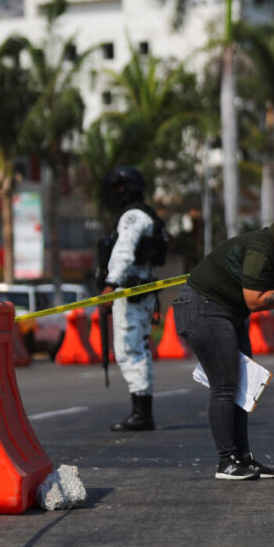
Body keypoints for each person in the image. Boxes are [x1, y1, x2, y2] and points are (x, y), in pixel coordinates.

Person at [174, 184, 274, 481]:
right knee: (225, 384)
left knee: (243, 386)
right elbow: (254, 301)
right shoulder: (262, 246)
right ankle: (226, 461)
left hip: (229, 313)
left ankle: (243, 458)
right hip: (202, 306)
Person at [103, 165, 167, 432]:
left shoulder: (132, 217)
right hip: (143, 290)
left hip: (130, 290)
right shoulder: (148, 215)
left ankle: (141, 413)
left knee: (130, 349)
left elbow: (124, 251)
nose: (116, 193)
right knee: (140, 348)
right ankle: (143, 410)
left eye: (119, 188)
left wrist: (110, 284)